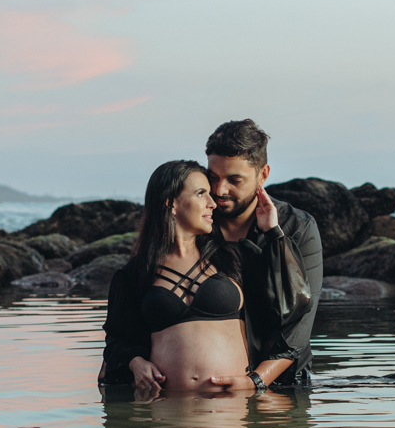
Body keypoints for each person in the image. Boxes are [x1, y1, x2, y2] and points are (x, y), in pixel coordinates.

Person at [99, 160, 280, 393]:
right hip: (166, 416)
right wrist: (136, 363)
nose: (212, 203)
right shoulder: (134, 274)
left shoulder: (234, 259)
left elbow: (286, 310)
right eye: (201, 194)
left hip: (233, 413)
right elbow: (116, 340)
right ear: (170, 202)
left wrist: (273, 234)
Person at [205, 119, 323, 390]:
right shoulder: (197, 224)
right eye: (213, 177)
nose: (220, 190)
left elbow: (300, 327)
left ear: (263, 174)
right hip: (214, 384)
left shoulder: (298, 228)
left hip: (284, 385)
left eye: (235, 180)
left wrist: (256, 381)